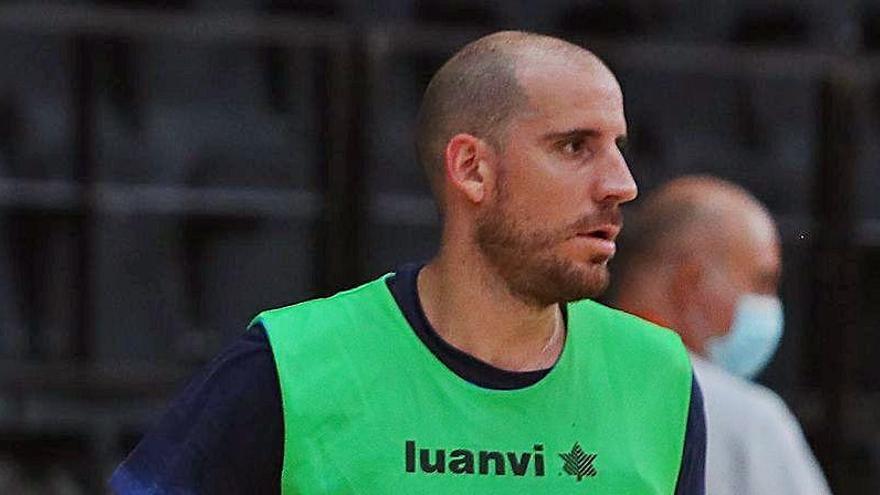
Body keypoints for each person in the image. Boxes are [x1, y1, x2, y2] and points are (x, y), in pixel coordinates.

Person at [111, 31, 706, 494]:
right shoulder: (294, 365)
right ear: (472, 168)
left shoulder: (658, 375)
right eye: (575, 146)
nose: (621, 184)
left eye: (618, 147)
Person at [613, 175, 832, 495]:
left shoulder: (559, 381)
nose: (769, 304)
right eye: (762, 282)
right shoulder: (747, 420)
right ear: (689, 284)